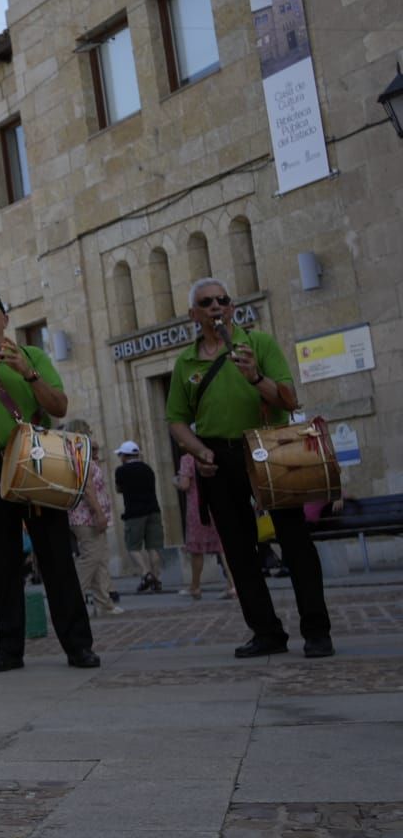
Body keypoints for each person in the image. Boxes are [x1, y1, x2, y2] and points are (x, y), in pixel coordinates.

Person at [166, 277, 332, 658]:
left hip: (270, 449)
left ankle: (317, 631)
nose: (215, 307)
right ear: (194, 314)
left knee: (294, 542)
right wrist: (198, 452)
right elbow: (176, 421)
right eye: (206, 302)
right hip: (219, 458)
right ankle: (266, 632)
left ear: (233, 308)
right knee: (239, 551)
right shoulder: (185, 362)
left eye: (222, 300)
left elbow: (289, 401)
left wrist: (256, 377)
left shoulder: (259, 344)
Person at [0, 294, 98, 672]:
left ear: (4, 320)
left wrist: (28, 372)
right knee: (5, 561)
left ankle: (78, 646)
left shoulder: (34, 357)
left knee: (55, 557)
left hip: (34, 458)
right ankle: (9, 650)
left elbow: (59, 406)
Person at [64, 425, 122, 616]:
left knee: (100, 560)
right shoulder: (81, 455)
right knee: (91, 558)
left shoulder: (80, 453)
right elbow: (88, 488)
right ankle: (72, 602)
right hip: (86, 517)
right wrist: (98, 513)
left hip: (87, 516)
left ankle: (103, 603)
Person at [175, 452, 235, 601]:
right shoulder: (212, 454)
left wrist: (175, 482)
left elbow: (185, 484)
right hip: (218, 503)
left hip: (198, 508)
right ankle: (233, 585)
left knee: (197, 549)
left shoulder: (187, 458)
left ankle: (195, 586)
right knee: (224, 547)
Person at [114, 441, 166, 593]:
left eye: (120, 455)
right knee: (153, 546)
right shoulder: (147, 469)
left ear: (125, 456)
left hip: (134, 512)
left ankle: (146, 573)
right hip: (153, 510)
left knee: (133, 546)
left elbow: (118, 489)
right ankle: (157, 578)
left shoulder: (121, 471)